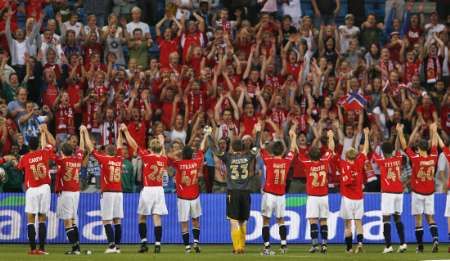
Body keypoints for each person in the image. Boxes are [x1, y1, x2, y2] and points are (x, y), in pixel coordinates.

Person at [208, 122, 262, 254]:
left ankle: (237, 247)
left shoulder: (228, 157)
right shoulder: (248, 156)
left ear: (231, 147)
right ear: (243, 147)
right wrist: (258, 132)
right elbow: (257, 147)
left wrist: (209, 135)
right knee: (243, 220)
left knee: (233, 221)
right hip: (245, 192)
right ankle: (242, 246)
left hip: (232, 192)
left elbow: (214, 149)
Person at [121, 124, 168, 254]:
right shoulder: (164, 159)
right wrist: (162, 141)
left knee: (142, 217)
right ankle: (157, 245)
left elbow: (133, 145)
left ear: (150, 148)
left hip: (147, 190)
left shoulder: (147, 157)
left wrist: (126, 131)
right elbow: (162, 152)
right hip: (159, 190)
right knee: (157, 218)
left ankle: (144, 243)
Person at [81, 125, 125, 254]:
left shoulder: (104, 159)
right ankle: (117, 246)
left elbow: (90, 148)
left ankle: (111, 246)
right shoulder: (119, 159)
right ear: (115, 151)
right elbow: (120, 145)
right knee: (117, 220)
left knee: (106, 219)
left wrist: (84, 133)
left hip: (108, 193)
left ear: (106, 152)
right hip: (118, 193)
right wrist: (121, 133)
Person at [397, 123, 439, 253]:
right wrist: (434, 131)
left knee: (418, 220)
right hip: (430, 192)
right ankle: (435, 238)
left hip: (418, 193)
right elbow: (435, 144)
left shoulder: (415, 158)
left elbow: (404, 146)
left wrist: (399, 132)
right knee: (431, 218)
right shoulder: (434, 156)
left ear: (419, 148)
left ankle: (420, 247)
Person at [18, 124, 56, 255]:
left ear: (29, 146)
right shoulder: (44, 152)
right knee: (42, 218)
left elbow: (19, 167)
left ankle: (33, 249)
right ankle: (42, 249)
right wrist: (45, 131)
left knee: (30, 219)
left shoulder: (25, 158)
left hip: (31, 190)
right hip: (44, 188)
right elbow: (52, 143)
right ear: (39, 145)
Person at [260, 124, 297, 255]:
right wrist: (293, 136)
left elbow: (261, 147)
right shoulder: (286, 161)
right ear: (282, 152)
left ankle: (267, 247)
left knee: (266, 220)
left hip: (269, 195)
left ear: (272, 151)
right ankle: (283, 246)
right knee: (281, 220)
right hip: (281, 196)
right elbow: (292, 149)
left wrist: (260, 131)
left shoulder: (268, 160)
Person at [168, 131, 208, 253]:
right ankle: (196, 242)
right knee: (195, 220)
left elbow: (168, 156)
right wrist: (205, 136)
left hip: (183, 198)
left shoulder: (178, 163)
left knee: (184, 222)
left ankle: (187, 247)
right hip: (195, 196)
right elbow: (201, 149)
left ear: (182, 155)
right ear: (191, 155)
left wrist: (178, 152)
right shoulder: (196, 162)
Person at [299, 130, 335, 254]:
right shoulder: (324, 161)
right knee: (323, 220)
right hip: (324, 196)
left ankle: (314, 245)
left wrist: (293, 137)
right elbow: (331, 149)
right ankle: (324, 245)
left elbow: (296, 151)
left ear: (310, 155)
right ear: (320, 155)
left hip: (313, 197)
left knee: (313, 220)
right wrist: (330, 136)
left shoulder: (307, 163)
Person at [372, 135, 407, 254]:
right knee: (397, 218)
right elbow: (397, 148)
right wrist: (398, 134)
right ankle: (402, 244)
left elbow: (372, 152)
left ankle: (388, 246)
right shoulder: (398, 158)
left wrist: (372, 139)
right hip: (399, 192)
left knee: (386, 218)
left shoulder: (382, 161)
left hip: (388, 193)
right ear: (392, 150)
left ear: (382, 151)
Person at [338, 128, 369, 253]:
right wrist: (366, 135)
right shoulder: (360, 162)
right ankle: (360, 244)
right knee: (358, 223)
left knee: (347, 224)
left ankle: (349, 248)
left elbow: (335, 151)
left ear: (346, 156)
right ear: (356, 156)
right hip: (359, 198)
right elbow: (365, 149)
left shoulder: (343, 164)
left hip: (347, 199)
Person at [55, 129, 85, 255]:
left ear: (62, 152)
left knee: (67, 221)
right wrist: (82, 134)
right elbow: (82, 149)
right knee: (73, 220)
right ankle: (76, 246)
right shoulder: (77, 159)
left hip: (66, 193)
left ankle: (75, 248)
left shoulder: (61, 161)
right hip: (76, 193)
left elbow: (47, 152)